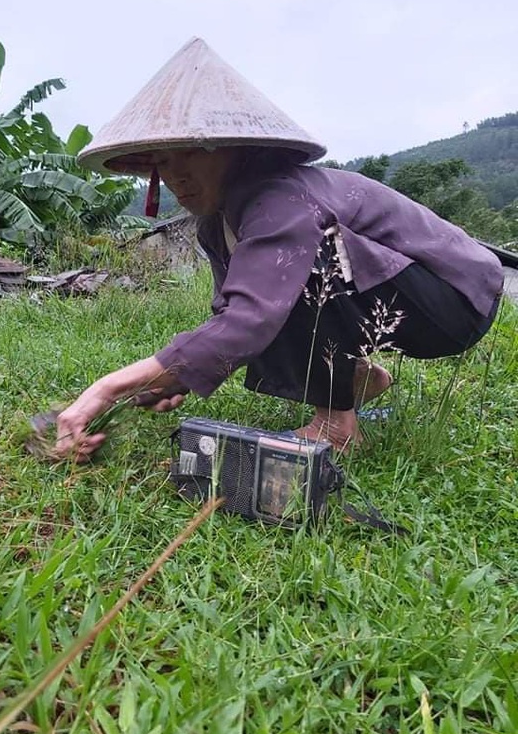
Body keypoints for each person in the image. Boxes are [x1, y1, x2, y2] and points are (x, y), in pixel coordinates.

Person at [54, 37, 504, 460]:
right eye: (166, 161)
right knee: (265, 289)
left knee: (299, 267)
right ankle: (357, 380)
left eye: (194, 153)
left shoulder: (282, 199)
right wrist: (178, 377)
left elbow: (252, 319)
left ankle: (336, 426)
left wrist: (107, 388)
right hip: (405, 299)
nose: (179, 176)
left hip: (456, 302)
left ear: (235, 150)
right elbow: (232, 315)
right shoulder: (217, 223)